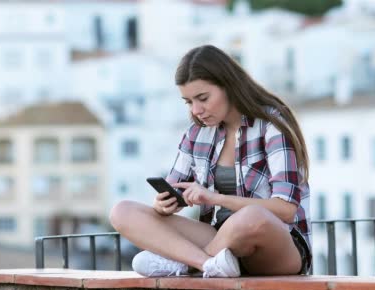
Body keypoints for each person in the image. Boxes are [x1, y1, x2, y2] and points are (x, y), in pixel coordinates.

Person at [109, 45, 312, 278]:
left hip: (276, 245)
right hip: (222, 244)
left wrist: (214, 198)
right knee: (122, 211)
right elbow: (175, 189)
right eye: (188, 102)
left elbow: (286, 210)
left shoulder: (271, 125)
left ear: (228, 86)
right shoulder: (197, 134)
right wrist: (163, 205)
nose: (197, 110)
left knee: (251, 216)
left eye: (202, 98)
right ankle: (207, 264)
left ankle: (185, 267)